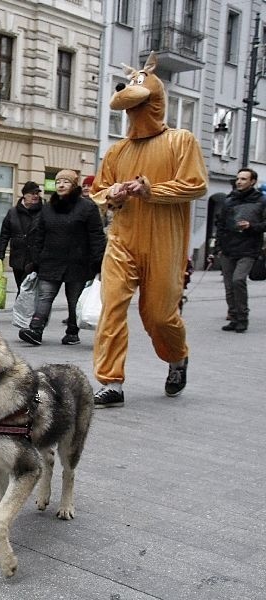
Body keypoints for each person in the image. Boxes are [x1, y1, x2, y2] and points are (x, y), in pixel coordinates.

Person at [89, 52, 207, 408]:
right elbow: (99, 191)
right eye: (129, 109)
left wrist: (151, 189)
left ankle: (177, 356)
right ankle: (111, 381)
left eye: (140, 106)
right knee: (111, 308)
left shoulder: (180, 141)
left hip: (165, 243)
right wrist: (112, 194)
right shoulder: (117, 151)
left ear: (157, 103)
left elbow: (195, 185)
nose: (133, 115)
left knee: (158, 315)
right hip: (123, 239)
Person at [17, 170, 105, 346]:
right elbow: (38, 235)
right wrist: (36, 259)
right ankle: (36, 330)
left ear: (74, 185)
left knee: (74, 300)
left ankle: (72, 332)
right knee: (45, 296)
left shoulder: (87, 208)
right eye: (58, 182)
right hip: (50, 261)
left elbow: (96, 236)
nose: (61, 185)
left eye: (65, 182)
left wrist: (98, 261)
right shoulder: (48, 208)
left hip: (78, 263)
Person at [211, 168, 266, 333]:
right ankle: (233, 317)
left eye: (243, 179)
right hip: (228, 248)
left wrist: (251, 226)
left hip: (249, 249)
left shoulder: (261, 201)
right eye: (238, 179)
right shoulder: (229, 200)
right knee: (229, 285)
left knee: (238, 280)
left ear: (252, 181)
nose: (239, 182)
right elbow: (220, 225)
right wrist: (218, 247)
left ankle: (243, 317)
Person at [0, 180, 43, 291]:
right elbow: (5, 234)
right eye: (32, 193)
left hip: (35, 258)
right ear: (25, 195)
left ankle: (22, 307)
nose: (35, 196)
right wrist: (0, 254)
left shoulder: (43, 212)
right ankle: (22, 307)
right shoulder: (13, 212)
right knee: (21, 287)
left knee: (27, 288)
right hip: (18, 257)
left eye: (37, 193)